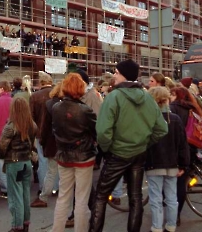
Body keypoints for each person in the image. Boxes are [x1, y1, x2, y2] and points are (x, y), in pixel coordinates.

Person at [90, 59, 168, 232]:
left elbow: (103, 131)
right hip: (139, 153)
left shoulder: (113, 97)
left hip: (118, 153)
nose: (114, 76)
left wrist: (107, 148)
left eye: (116, 72)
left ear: (124, 75)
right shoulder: (148, 97)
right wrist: (145, 142)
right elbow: (162, 129)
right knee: (136, 197)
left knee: (100, 197)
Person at [51, 73, 97, 232]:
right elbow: (96, 130)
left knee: (63, 197)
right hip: (84, 156)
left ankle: (57, 229)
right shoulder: (85, 110)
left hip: (64, 155)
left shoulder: (56, 107)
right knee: (82, 199)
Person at [146, 86, 189, 232]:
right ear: (166, 100)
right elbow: (183, 144)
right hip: (173, 163)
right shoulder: (175, 119)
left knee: (156, 197)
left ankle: (156, 226)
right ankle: (171, 225)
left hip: (153, 163)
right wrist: (184, 165)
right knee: (171, 197)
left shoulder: (148, 119)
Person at [169, 86, 202, 224]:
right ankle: (177, 213)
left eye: (171, 94)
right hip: (191, 146)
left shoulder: (173, 108)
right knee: (182, 182)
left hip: (178, 148)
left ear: (175, 95)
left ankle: (173, 214)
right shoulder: (193, 107)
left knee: (174, 182)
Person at [0, 98, 37, 232]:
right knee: (25, 195)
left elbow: (2, 148)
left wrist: (2, 156)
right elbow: (32, 145)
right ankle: (25, 223)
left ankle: (17, 226)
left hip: (14, 163)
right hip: (26, 162)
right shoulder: (32, 125)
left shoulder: (10, 126)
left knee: (15, 197)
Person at [30, 72, 56, 208]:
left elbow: (31, 116)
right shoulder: (57, 94)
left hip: (40, 134)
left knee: (43, 162)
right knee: (55, 164)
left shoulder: (35, 96)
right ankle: (55, 187)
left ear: (40, 82)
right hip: (56, 134)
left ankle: (43, 188)